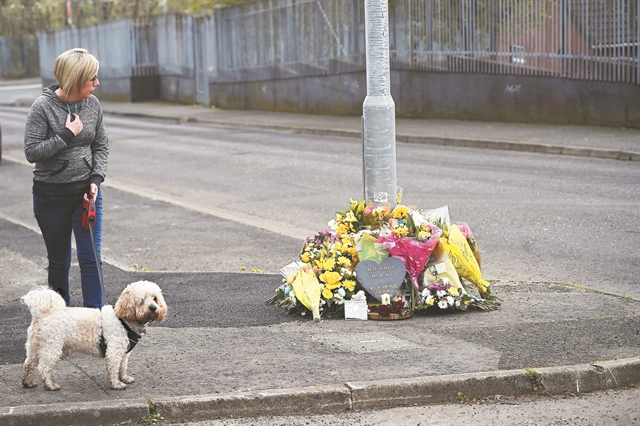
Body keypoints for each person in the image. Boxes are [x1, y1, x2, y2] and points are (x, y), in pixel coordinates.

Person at [24, 48, 109, 309]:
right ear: (75, 78)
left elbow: (101, 146)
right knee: (59, 263)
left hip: (86, 194)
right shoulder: (42, 107)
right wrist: (66, 135)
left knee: (90, 257)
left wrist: (96, 179)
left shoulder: (93, 105)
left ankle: (97, 323)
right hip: (51, 198)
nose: (97, 83)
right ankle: (57, 323)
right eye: (92, 78)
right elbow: (32, 151)